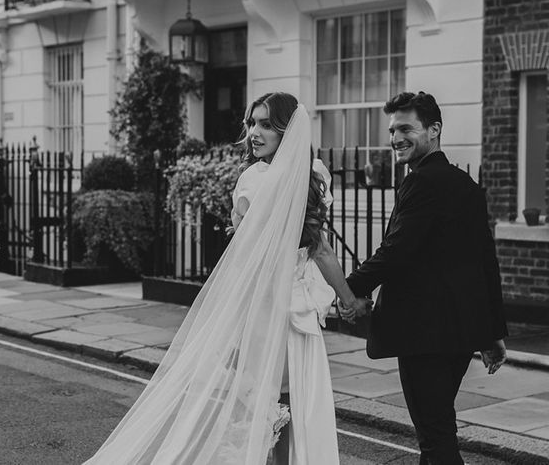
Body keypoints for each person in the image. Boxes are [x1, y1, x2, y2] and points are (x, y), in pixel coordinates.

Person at [84, 92, 366, 464]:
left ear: (287, 131)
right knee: (289, 403)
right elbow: (320, 250)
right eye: (252, 123)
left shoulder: (264, 178)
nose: (254, 132)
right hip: (283, 311)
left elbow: (258, 246)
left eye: (266, 124)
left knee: (267, 405)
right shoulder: (299, 176)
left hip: (268, 308)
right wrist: (349, 300)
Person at [340, 91, 507, 465]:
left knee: (435, 438)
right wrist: (491, 332)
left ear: (434, 130)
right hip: (460, 334)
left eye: (405, 128)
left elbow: (396, 251)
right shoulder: (467, 187)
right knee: (438, 428)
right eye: (392, 130)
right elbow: (486, 262)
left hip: (423, 335)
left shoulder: (420, 182)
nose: (395, 138)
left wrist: (347, 289)